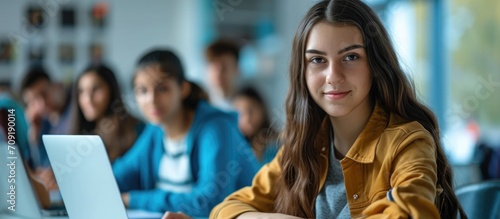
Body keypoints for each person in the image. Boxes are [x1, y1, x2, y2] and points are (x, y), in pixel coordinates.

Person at [210, 0, 467, 219]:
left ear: (375, 64)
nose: (333, 76)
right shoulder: (300, 146)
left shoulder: (408, 141)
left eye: (350, 57)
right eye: (317, 60)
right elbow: (226, 209)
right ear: (303, 72)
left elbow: (411, 214)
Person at [112, 49, 259, 217]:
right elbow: (117, 177)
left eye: (162, 89)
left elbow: (210, 202)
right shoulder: (155, 130)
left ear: (183, 89)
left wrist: (132, 199)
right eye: (142, 91)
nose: (152, 100)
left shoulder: (217, 128)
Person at [73, 64, 144, 163]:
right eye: (81, 91)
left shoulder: (137, 129)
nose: (88, 99)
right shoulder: (81, 133)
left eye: (96, 89)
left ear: (112, 90)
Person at [20, 66, 74, 190]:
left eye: (44, 94)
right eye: (34, 101)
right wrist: (34, 132)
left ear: (56, 86)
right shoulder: (43, 124)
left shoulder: (74, 114)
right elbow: (39, 166)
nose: (42, 104)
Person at [232, 86, 279, 166]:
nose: (247, 118)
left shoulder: (276, 143)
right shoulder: (234, 147)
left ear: (262, 110)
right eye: (241, 113)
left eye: (251, 111)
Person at [204, 39, 240, 111]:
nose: (218, 73)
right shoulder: (198, 107)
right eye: (214, 66)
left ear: (236, 69)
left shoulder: (248, 107)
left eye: (224, 66)